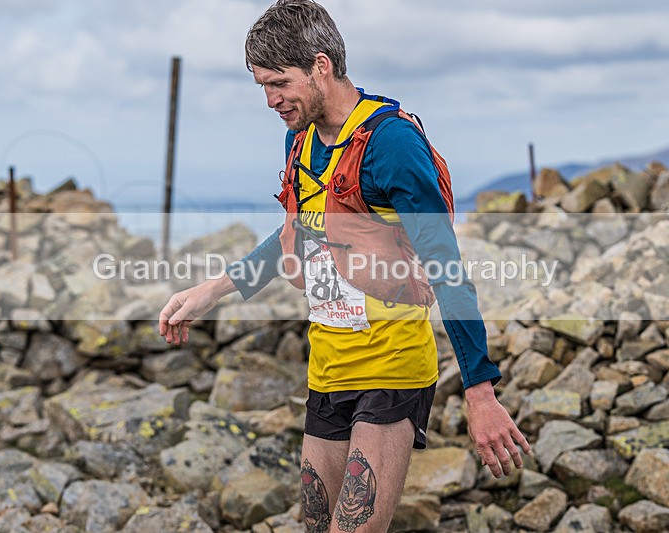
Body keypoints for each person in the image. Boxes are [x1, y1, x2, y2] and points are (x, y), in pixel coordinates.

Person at [159, 1, 530, 531]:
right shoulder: (301, 136)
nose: (271, 100)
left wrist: (481, 391)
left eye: (280, 83)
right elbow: (300, 233)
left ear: (321, 66)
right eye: (262, 86)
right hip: (328, 367)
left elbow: (446, 267)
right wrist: (213, 290)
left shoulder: (391, 144)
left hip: (392, 366)